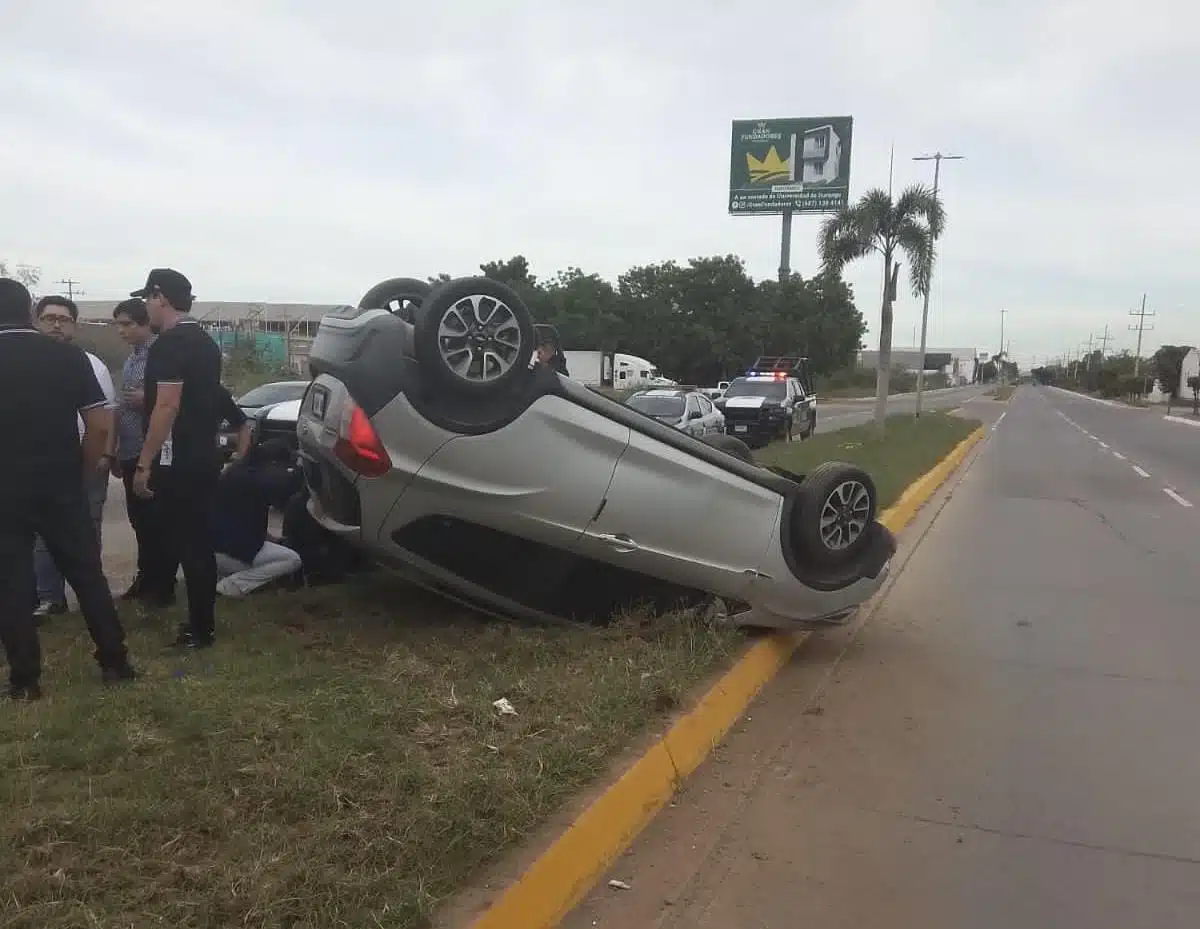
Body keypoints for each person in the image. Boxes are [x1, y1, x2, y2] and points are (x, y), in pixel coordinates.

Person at [0, 278, 135, 700]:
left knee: (11, 583)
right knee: (87, 575)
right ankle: (115, 662)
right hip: (60, 482)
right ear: (30, 310)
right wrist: (82, 471)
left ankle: (25, 681)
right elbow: (99, 424)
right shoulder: (69, 357)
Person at [129, 268, 224, 649]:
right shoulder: (205, 342)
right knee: (198, 541)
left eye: (146, 300)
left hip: (179, 459)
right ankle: (202, 623)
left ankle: (200, 630)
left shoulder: (170, 345)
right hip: (203, 454)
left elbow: (166, 406)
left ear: (160, 297)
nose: (145, 308)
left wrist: (144, 462)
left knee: (190, 544)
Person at [31, 295, 118, 619]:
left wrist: (105, 455)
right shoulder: (25, 362)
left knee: (86, 530)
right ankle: (50, 598)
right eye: (49, 318)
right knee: (40, 535)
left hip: (88, 461)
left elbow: (107, 416)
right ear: (36, 322)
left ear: (74, 326)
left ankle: (90, 600)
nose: (56, 324)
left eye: (63, 319)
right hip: (42, 464)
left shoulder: (92, 364)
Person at [110, 297, 159, 603]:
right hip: (128, 449)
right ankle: (145, 577)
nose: (121, 331)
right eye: (118, 325)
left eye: (127, 324)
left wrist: (148, 398)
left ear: (145, 322)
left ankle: (157, 581)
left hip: (149, 452)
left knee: (155, 520)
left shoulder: (160, 354)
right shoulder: (131, 360)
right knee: (138, 520)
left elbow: (175, 401)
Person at [212, 438, 304, 597]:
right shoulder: (256, 480)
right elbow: (286, 487)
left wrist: (268, 538)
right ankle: (232, 585)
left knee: (273, 550)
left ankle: (226, 576)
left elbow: (242, 519)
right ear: (274, 462)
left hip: (213, 549)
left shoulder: (238, 472)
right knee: (292, 560)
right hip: (227, 553)